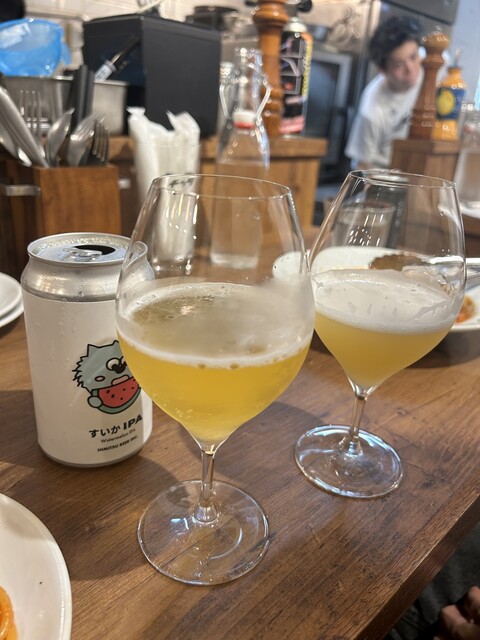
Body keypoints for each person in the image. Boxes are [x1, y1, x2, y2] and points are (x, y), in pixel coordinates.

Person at [345, 15, 424, 170]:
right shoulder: (371, 109)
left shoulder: (434, 65)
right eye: (399, 64)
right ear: (382, 69)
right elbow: (362, 166)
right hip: (387, 177)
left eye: (413, 57)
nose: (411, 69)